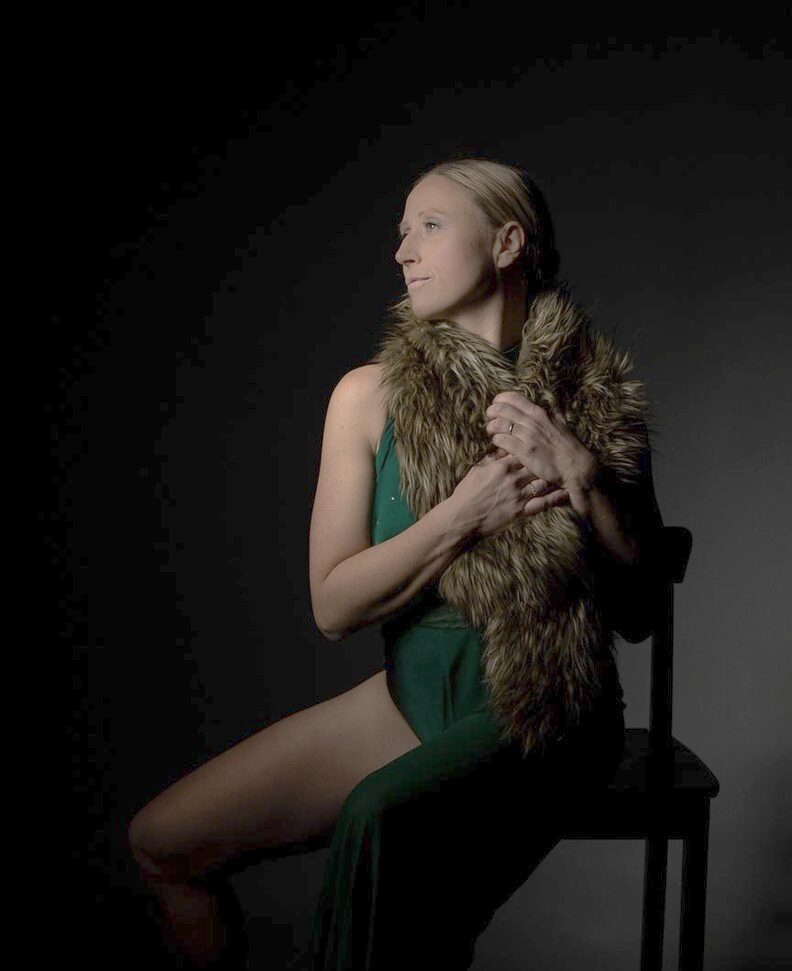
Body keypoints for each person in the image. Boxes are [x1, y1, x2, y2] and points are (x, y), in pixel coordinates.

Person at [127, 156, 664, 970]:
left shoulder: (595, 399)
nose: (402, 250)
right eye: (402, 231)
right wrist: (462, 515)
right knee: (162, 843)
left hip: (546, 710)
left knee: (379, 822)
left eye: (429, 226)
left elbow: (640, 610)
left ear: (508, 243)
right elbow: (333, 607)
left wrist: (581, 473)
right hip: (410, 697)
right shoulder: (367, 397)